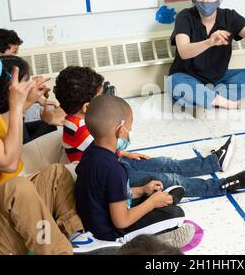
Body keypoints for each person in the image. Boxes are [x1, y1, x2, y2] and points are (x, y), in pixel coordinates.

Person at [54, 66, 245, 197]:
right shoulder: (77, 129)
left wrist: (125, 153)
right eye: (101, 97)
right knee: (167, 179)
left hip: (116, 162)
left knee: (163, 163)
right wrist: (122, 140)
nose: (105, 99)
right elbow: (101, 152)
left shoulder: (80, 121)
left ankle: (214, 162)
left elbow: (102, 150)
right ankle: (219, 187)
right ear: (87, 107)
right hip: (110, 176)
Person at [75, 95, 195, 247]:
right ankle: (147, 240)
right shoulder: (114, 169)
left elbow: (106, 192)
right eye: (130, 127)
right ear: (119, 130)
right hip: (110, 233)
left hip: (97, 214)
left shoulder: (91, 151)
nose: (130, 130)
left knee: (148, 183)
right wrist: (151, 203)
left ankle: (157, 197)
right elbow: (121, 221)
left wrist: (142, 191)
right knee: (176, 215)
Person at [0, 159, 119, 255]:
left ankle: (76, 238)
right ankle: (60, 252)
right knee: (17, 188)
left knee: (56, 173)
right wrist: (5, 197)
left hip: (0, 215)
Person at [0, 27, 49, 183]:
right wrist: (17, 105)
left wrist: (27, 100)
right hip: (9, 186)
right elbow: (9, 163)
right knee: (69, 173)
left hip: (20, 167)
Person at [0, 55, 65, 144]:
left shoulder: (2, 104)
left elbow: (25, 128)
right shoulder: (3, 112)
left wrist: (48, 121)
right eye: (27, 80)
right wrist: (46, 123)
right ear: (11, 85)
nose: (30, 84)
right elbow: (25, 146)